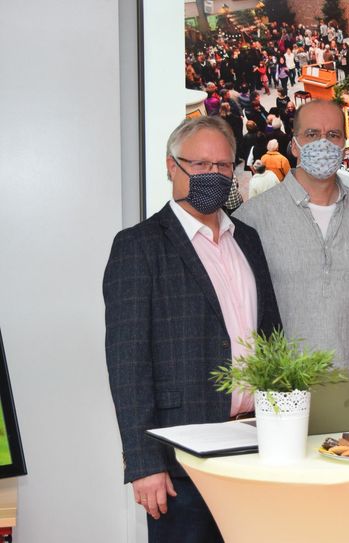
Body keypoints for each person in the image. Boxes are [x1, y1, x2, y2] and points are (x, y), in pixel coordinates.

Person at [104, 116, 283, 542]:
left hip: (257, 445)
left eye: (224, 166)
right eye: (201, 166)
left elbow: (271, 337)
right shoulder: (139, 245)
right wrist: (144, 463)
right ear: (172, 166)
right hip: (180, 456)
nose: (214, 175)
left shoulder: (249, 241)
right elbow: (127, 363)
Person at [234, 100, 349, 369]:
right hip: (280, 391)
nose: (323, 142)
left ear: (344, 144)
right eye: (312, 134)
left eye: (333, 135)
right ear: (294, 145)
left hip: (346, 387)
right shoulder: (253, 217)